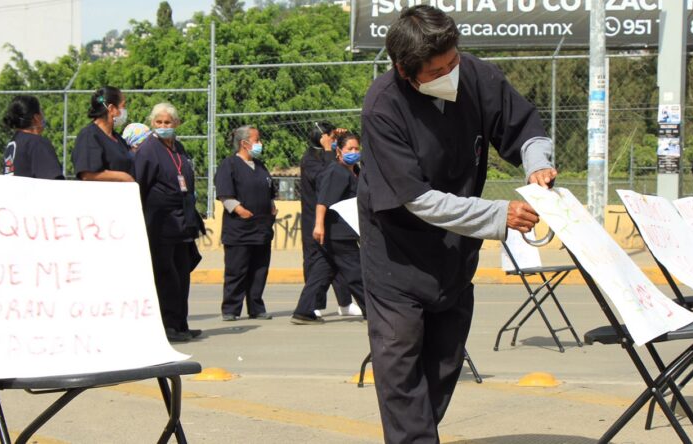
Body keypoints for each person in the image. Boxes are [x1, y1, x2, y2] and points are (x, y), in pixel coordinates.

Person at [358, 6, 556, 443]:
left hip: (455, 251)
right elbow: (417, 199)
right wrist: (498, 216)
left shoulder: (477, 77)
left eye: (454, 62)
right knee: (400, 365)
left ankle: (420, 433)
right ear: (405, 71)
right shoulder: (383, 107)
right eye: (437, 71)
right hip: (397, 257)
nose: (451, 74)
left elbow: (527, 129)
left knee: (445, 362)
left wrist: (537, 164)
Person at [134, 103, 206, 343]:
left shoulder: (179, 148)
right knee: (166, 275)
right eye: (159, 122)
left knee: (182, 273)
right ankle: (168, 326)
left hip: (182, 221)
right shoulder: (148, 150)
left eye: (168, 122)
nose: (164, 127)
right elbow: (140, 184)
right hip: (161, 222)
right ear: (153, 124)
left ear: (176, 124)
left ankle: (181, 323)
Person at [292, 132, 367, 325]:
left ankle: (304, 310)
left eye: (356, 148)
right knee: (356, 271)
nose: (354, 152)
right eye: (349, 148)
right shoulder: (337, 172)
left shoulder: (354, 171)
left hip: (342, 231)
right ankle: (373, 309)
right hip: (337, 233)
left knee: (322, 272)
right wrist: (318, 226)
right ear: (339, 151)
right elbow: (323, 201)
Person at [214, 125, 277, 321]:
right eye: (256, 140)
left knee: (259, 270)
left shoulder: (260, 166)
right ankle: (231, 309)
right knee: (237, 270)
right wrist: (239, 210)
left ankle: (256, 307)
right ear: (244, 143)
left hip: (261, 228)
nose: (260, 144)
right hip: (240, 229)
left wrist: (272, 206)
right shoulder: (230, 164)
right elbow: (225, 194)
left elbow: (269, 191)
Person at [72, 86, 134, 182]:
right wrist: (123, 177)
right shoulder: (89, 135)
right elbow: (87, 174)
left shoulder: (118, 139)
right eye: (123, 106)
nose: (124, 111)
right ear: (112, 109)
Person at [2, 95, 63, 179]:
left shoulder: (13, 142)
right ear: (36, 118)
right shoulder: (37, 143)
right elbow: (54, 183)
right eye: (41, 112)